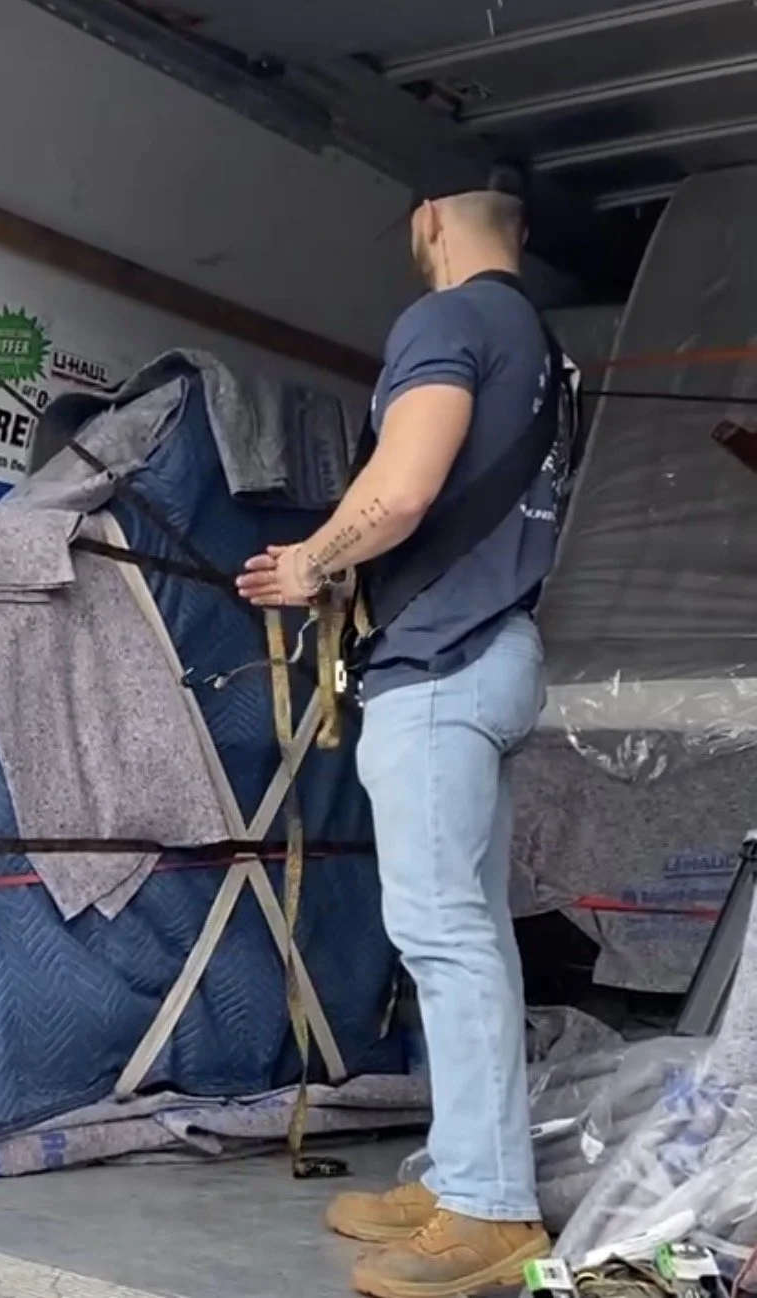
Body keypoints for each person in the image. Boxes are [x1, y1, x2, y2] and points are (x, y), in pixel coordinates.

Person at [237, 164, 577, 1298]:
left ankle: (488, 1209)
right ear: (518, 233)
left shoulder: (444, 318)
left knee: (445, 938)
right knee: (470, 930)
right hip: (498, 649)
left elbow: (404, 487)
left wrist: (309, 562)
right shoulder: (536, 346)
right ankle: (461, 1171)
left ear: (429, 223)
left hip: (440, 665)